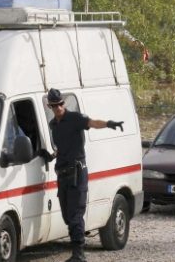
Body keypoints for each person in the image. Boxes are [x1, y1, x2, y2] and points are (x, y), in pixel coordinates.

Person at [44, 88, 123, 262]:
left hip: (77, 173)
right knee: (67, 216)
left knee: (75, 215)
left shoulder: (74, 118)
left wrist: (109, 123)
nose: (58, 108)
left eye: (60, 104)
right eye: (54, 105)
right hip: (63, 175)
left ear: (63, 103)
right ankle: (77, 251)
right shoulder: (54, 126)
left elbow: (93, 123)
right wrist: (51, 155)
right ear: (50, 106)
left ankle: (79, 254)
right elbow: (63, 147)